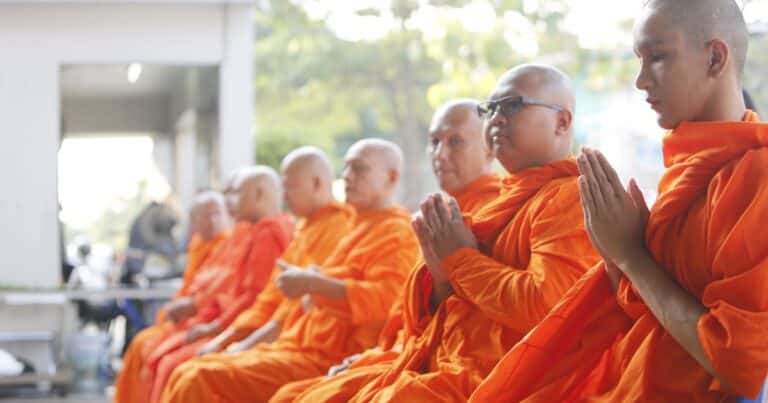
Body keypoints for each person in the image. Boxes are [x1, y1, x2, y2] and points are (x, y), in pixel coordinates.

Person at [470, 1, 768, 401]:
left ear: (714, 58)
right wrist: (616, 254)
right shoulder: (689, 169)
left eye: (658, 57)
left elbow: (740, 360)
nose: (641, 80)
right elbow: (647, 310)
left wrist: (631, 255)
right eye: (639, 60)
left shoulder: (756, 173)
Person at [269, 98, 500, 403]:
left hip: (452, 365)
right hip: (392, 351)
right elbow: (410, 316)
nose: (440, 154)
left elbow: (465, 320)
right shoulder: (431, 217)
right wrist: (375, 356)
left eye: (455, 142)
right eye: (434, 142)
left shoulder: (493, 214)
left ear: (490, 148)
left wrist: (314, 284)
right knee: (291, 396)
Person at [160, 139, 420, 403]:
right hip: (296, 344)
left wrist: (314, 284)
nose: (347, 176)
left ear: (392, 177)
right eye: (346, 168)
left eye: (359, 169)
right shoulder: (353, 227)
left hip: (331, 355)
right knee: (185, 370)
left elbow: (387, 300)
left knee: (195, 376)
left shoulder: (393, 232)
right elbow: (278, 304)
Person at [114, 167, 293, 403]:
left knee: (175, 366)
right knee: (149, 350)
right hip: (229, 324)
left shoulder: (268, 234)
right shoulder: (249, 234)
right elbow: (228, 293)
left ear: (259, 195)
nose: (231, 203)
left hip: (245, 329)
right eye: (229, 194)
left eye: (237, 194)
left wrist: (215, 331)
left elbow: (253, 301)